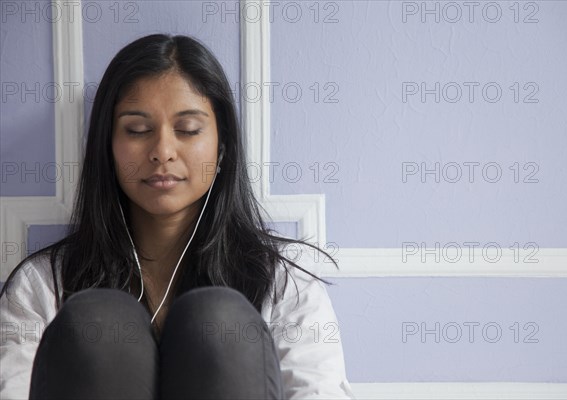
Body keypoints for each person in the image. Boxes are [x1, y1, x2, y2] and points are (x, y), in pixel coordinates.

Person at [0, 34, 354, 400]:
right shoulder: (41, 286)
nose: (162, 152)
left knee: (218, 322)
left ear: (222, 148)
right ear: (107, 147)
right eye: (137, 130)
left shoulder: (284, 283)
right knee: (98, 322)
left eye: (187, 130)